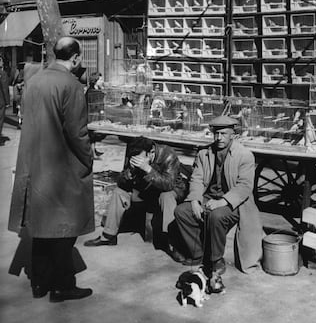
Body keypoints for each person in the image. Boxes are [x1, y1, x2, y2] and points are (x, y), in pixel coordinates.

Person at [8, 37, 94, 302]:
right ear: (76, 58)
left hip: (34, 162)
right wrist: (89, 157)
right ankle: (62, 285)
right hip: (61, 165)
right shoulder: (71, 85)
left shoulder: (34, 81)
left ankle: (40, 283)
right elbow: (77, 133)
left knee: (41, 225)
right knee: (64, 230)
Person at [174, 115, 263, 289]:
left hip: (235, 202)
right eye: (216, 134)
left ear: (233, 135)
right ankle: (199, 254)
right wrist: (194, 200)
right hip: (209, 197)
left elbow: (244, 187)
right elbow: (197, 178)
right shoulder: (204, 153)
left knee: (216, 216)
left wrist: (222, 201)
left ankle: (216, 260)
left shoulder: (245, 155)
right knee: (181, 212)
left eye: (223, 134)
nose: (218, 138)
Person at [84, 136, 188, 257]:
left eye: (140, 158)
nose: (137, 160)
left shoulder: (168, 155)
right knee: (119, 192)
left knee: (166, 197)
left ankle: (173, 243)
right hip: (146, 189)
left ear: (151, 153)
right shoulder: (134, 153)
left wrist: (148, 169)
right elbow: (121, 182)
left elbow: (168, 184)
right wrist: (130, 172)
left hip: (171, 189)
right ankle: (108, 236)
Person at [0, 56, 10, 145]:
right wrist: (7, 102)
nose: (2, 63)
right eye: (1, 61)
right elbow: (4, 88)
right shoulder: (3, 74)